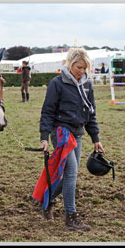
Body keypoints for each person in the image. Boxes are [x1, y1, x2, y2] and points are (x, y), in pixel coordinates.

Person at [39, 48, 104, 231]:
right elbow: (47, 111)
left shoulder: (87, 85)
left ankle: (48, 199)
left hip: (78, 133)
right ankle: (71, 217)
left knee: (70, 175)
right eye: (78, 67)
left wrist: (95, 138)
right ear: (70, 64)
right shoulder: (57, 83)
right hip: (61, 133)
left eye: (84, 68)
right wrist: (44, 137)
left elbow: (91, 113)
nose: (81, 71)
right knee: (71, 172)